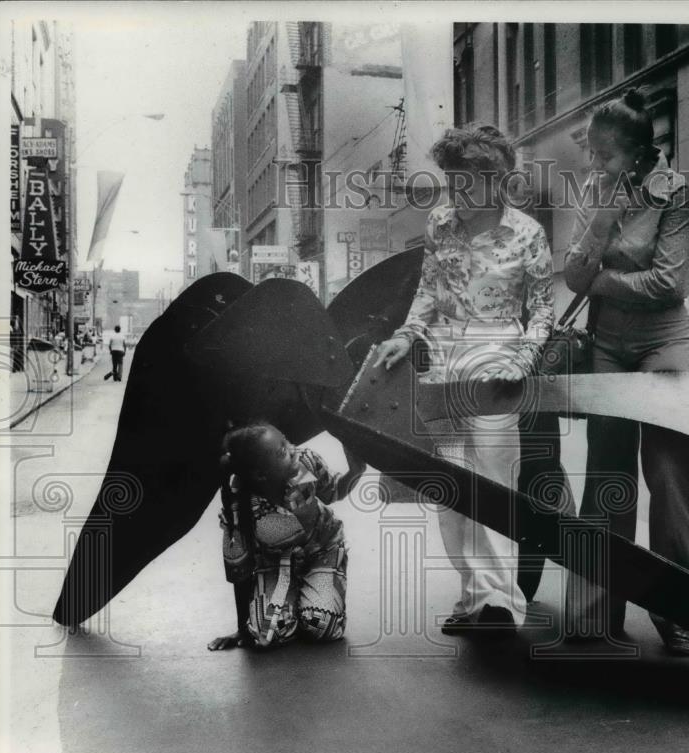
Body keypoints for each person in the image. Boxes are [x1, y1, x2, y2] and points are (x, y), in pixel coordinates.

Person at [374, 124, 555, 638]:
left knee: (495, 482)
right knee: (451, 486)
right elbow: (428, 292)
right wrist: (405, 337)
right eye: (451, 181)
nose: (455, 192)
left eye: (465, 182)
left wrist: (522, 361)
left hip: (499, 361)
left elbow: (542, 308)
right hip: (445, 361)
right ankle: (472, 596)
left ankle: (502, 602)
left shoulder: (527, 233)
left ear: (495, 181)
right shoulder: (440, 224)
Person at [562, 87, 689, 655]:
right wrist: (601, 219)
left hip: (663, 341)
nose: (592, 164)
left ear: (637, 151)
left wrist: (601, 281)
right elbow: (573, 272)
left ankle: (686, 609)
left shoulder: (676, 193)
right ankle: (595, 608)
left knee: (671, 470)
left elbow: (669, 285)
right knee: (606, 470)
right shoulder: (594, 191)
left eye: (603, 154)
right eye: (591, 155)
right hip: (607, 342)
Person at [208, 422, 366, 650]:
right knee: (268, 633)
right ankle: (291, 600)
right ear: (261, 475)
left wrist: (355, 472)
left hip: (322, 553)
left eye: (287, 441)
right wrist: (242, 629)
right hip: (275, 564)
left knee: (320, 625)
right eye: (283, 452)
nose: (293, 449)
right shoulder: (238, 506)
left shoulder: (305, 462)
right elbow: (239, 571)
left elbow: (334, 492)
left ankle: (313, 593)